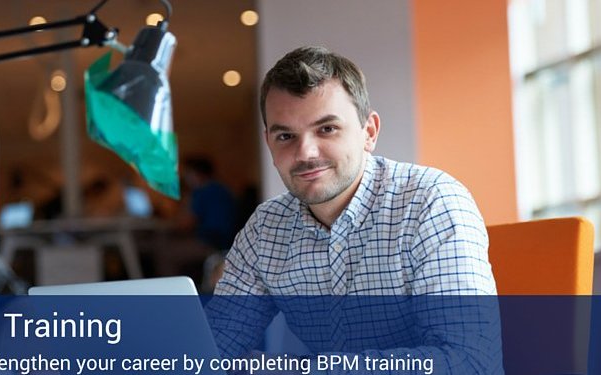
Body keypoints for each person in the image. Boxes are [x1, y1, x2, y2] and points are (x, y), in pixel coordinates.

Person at [208, 46, 501, 374]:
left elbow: (470, 363)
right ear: (269, 143)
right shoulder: (266, 229)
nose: (305, 152)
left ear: (369, 132)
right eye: (286, 135)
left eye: (327, 129)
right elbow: (213, 348)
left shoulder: (431, 202)